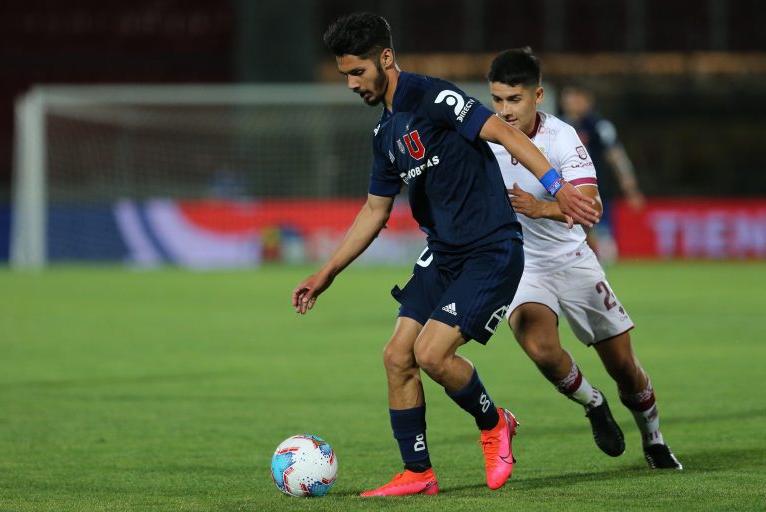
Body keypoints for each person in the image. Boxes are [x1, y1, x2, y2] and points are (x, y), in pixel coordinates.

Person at [292, 13, 600, 497]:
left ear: (385, 58)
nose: (351, 83)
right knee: (397, 356)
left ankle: (496, 422)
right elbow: (375, 210)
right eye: (345, 75)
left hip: (492, 249)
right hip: (444, 253)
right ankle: (419, 473)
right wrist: (327, 272)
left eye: (357, 72)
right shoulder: (385, 133)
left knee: (431, 353)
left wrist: (557, 187)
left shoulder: (432, 96)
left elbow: (504, 132)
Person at [485, 48, 682, 469]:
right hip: (521, 267)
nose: (504, 110)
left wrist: (540, 208)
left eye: (513, 99)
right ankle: (593, 404)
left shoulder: (562, 138)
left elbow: (590, 207)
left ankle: (655, 440)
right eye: (497, 99)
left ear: (538, 96)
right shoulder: (483, 140)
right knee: (540, 348)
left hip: (572, 258)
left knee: (624, 367)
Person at [559, 82, 645, 264]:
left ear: (586, 100)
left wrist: (630, 185)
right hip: (566, 191)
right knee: (569, 236)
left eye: (576, 97)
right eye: (568, 98)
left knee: (602, 232)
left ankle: (607, 276)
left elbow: (616, 155)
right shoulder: (557, 126)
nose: (571, 102)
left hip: (597, 190)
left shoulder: (598, 126)